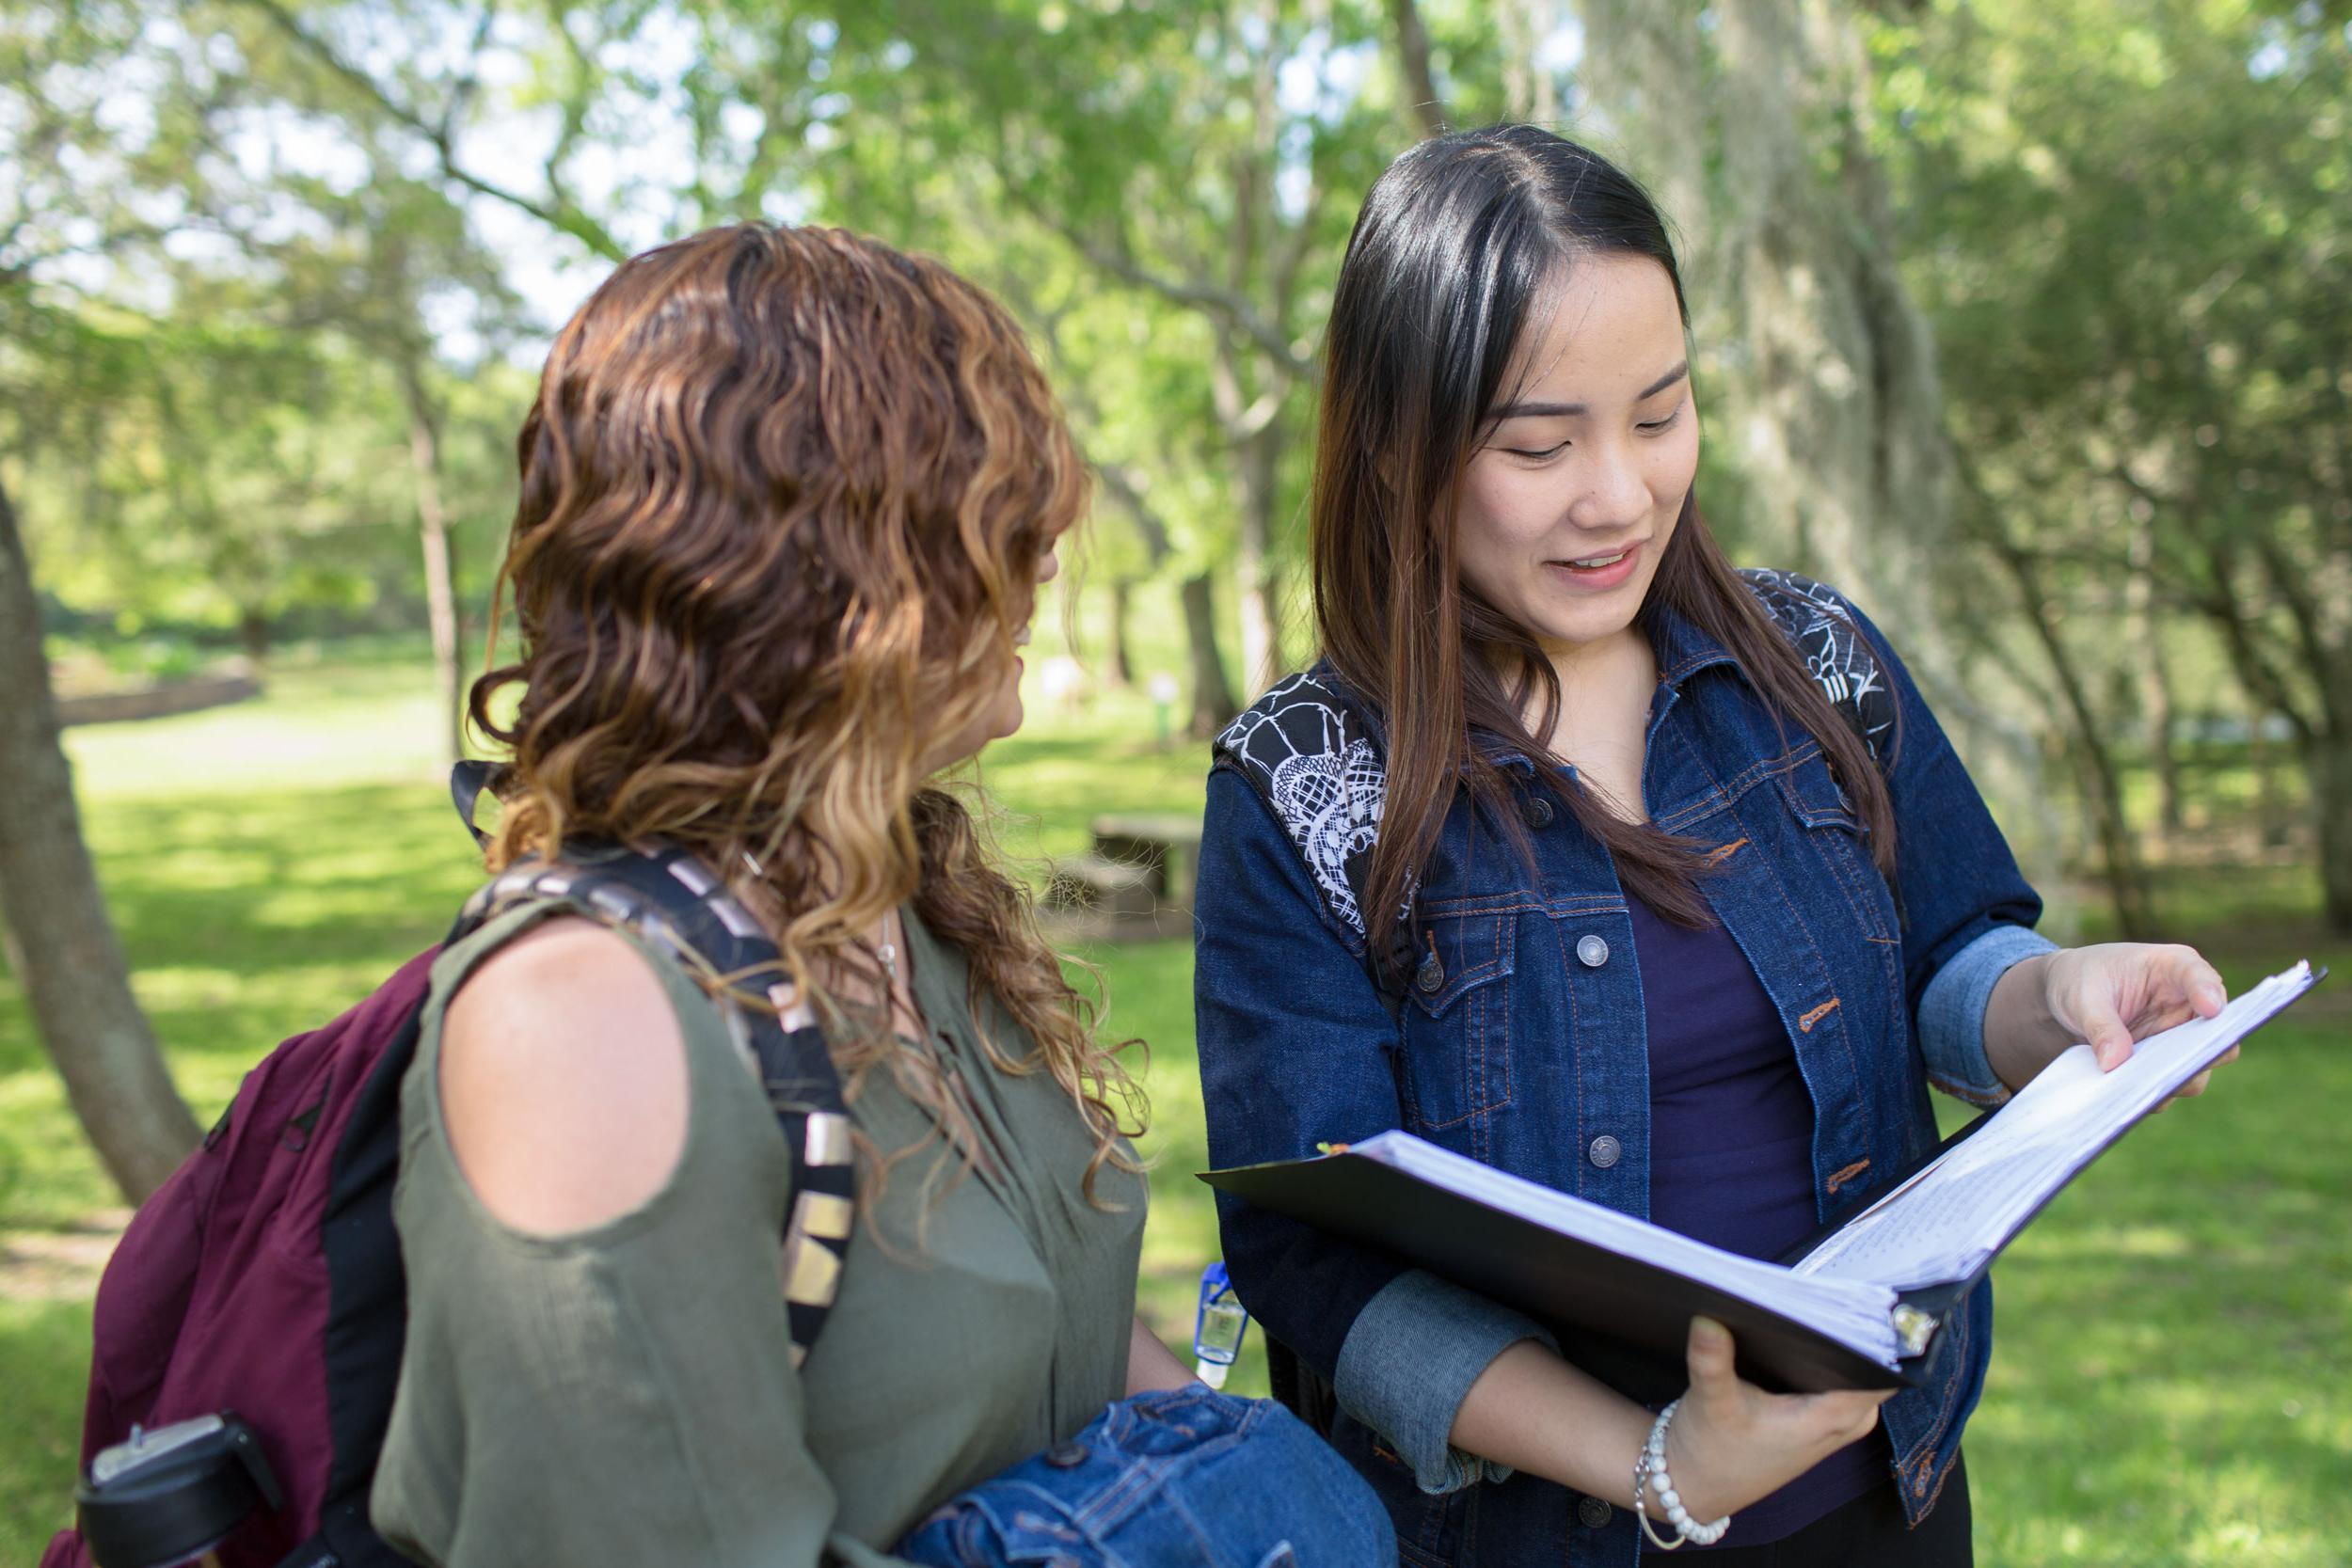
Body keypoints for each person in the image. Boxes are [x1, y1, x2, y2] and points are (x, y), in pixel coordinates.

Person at [1193, 124, 2235, 1567]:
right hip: (1537, 1537)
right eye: (1538, 444)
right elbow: (1313, 1253)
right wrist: (1660, 1463)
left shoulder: (1813, 659)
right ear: (1396, 444)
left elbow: (1944, 957)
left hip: (1886, 1496)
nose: (1617, 494)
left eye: (1660, 414)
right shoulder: (1305, 784)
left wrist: (2053, 1001)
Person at [369, 223, 1390, 1568]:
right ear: (814, 567)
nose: (1043, 563)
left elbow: (1081, 1349)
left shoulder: (908, 907)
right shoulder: (586, 1028)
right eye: (989, 519)